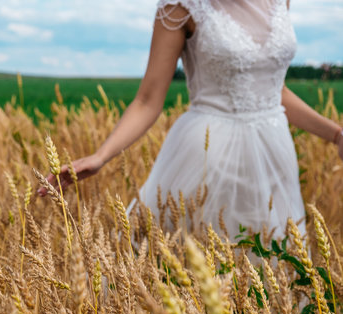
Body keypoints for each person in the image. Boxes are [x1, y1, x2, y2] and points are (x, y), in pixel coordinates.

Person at [38, 0, 343, 240]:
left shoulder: (279, 1)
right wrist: (101, 156)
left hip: (276, 153)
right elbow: (147, 100)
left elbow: (274, 90)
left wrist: (336, 134)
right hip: (210, 157)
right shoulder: (181, 7)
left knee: (273, 266)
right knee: (203, 262)